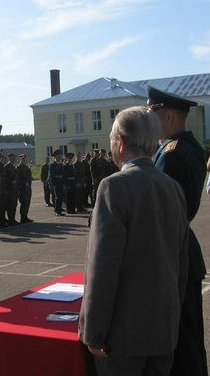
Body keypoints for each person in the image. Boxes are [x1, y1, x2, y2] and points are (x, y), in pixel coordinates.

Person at [80, 106, 189, 375]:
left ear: (121, 142)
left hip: (124, 337)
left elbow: (104, 268)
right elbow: (181, 265)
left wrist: (93, 332)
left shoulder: (114, 186)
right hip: (164, 331)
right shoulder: (173, 187)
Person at [147, 84, 208, 376]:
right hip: (180, 249)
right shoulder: (181, 148)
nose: (150, 117)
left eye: (153, 112)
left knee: (182, 339)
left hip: (173, 253)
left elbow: (167, 211)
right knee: (187, 335)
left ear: (168, 116)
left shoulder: (173, 153)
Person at [16, 154, 33, 223]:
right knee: (24, 203)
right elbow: (19, 178)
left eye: (25, 158)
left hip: (28, 188)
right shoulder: (19, 167)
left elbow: (29, 176)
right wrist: (24, 183)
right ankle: (23, 218)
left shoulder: (26, 167)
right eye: (23, 159)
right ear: (20, 159)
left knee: (27, 203)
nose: (24, 160)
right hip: (23, 189)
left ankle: (25, 217)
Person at [4, 153, 19, 226]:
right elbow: (4, 178)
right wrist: (11, 181)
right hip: (9, 190)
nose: (14, 159)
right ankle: (11, 220)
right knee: (10, 206)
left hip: (14, 190)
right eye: (12, 158)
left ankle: (13, 219)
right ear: (9, 158)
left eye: (14, 158)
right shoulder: (7, 167)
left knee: (14, 205)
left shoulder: (14, 167)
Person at [48, 149, 65, 216]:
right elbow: (51, 175)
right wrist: (52, 184)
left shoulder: (61, 165)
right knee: (57, 197)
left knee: (61, 197)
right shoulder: (52, 165)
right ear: (55, 157)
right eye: (58, 156)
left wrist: (63, 183)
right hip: (56, 183)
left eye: (60, 156)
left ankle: (59, 210)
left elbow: (63, 175)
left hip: (61, 183)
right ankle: (57, 211)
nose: (59, 157)